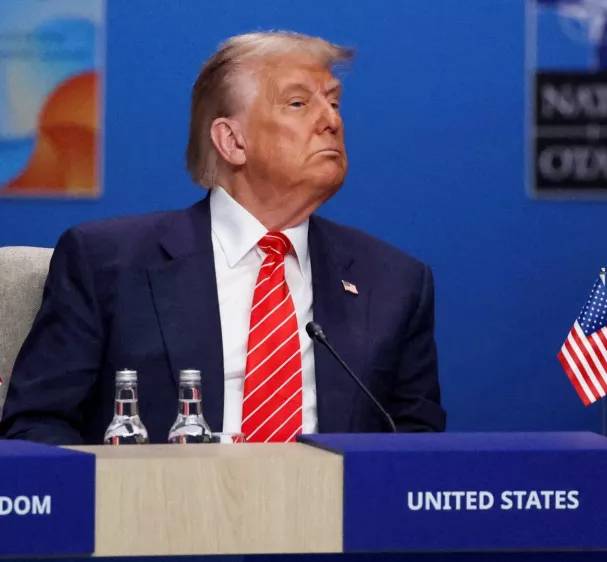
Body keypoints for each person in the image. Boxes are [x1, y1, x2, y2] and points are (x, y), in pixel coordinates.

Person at [0, 31, 446, 444]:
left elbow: (415, 452)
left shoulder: (394, 284)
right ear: (231, 141)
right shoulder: (108, 264)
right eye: (297, 103)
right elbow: (37, 426)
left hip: (336, 523)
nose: (330, 120)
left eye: (334, 103)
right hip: (155, 519)